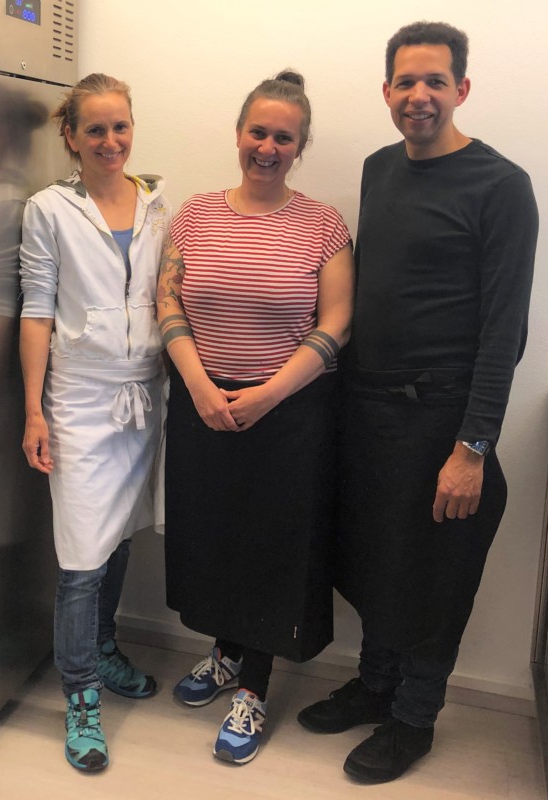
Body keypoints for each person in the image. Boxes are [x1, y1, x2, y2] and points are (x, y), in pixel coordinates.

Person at [296, 21, 539, 784]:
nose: (419, 96)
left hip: (443, 418)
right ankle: (374, 685)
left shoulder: (500, 187)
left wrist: (472, 447)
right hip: (368, 410)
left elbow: (503, 332)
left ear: (461, 88)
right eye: (405, 82)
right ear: (386, 91)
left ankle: (413, 716)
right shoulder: (378, 169)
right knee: (375, 562)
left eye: (435, 81)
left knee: (435, 576)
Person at [158, 70, 354, 765]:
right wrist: (198, 384)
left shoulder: (324, 225)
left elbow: (337, 321)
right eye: (258, 132)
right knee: (214, 537)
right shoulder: (194, 214)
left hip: (290, 413)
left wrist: (268, 394)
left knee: (272, 548)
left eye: (284, 138)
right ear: (238, 134)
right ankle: (225, 654)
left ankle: (254, 687)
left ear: (300, 147)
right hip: (201, 403)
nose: (267, 147)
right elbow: (167, 301)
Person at [19, 72, 170, 773]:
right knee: (81, 557)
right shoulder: (49, 209)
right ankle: (80, 697)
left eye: (120, 126)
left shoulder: (157, 204)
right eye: (95, 129)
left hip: (144, 395)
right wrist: (34, 410)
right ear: (71, 137)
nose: (111, 140)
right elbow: (37, 311)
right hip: (80, 400)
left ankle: (103, 649)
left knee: (119, 537)